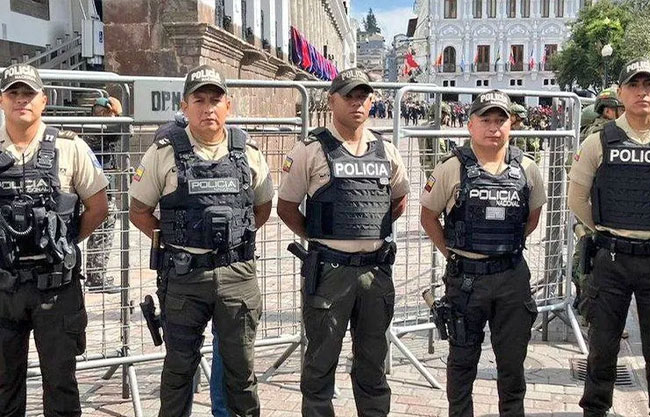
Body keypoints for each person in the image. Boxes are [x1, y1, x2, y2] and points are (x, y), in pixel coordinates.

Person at [129, 64, 274, 417]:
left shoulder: (248, 152)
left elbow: (262, 207)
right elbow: (139, 210)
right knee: (178, 370)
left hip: (237, 276)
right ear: (185, 106)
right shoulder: (163, 153)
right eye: (199, 100)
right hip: (185, 277)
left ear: (228, 105)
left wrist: (234, 241)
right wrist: (175, 241)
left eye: (215, 100)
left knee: (241, 373)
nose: (208, 108)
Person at [277, 68, 410, 417]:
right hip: (330, 273)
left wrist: (367, 233)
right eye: (349, 96)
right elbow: (286, 207)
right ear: (332, 100)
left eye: (363, 96)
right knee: (320, 363)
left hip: (375, 274)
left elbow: (398, 201)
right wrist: (321, 237)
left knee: (373, 362)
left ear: (372, 101)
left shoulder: (387, 151)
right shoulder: (310, 150)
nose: (357, 103)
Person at [420, 89, 546, 417]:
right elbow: (428, 217)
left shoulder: (527, 168)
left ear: (510, 124)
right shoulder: (451, 168)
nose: (493, 127)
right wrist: (453, 254)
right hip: (467, 281)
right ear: (470, 125)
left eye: (500, 120)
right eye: (485, 119)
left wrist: (501, 247)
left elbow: (532, 218)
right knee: (462, 364)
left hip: (511, 278)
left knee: (512, 365)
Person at [0, 64, 109, 416]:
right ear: (2, 101)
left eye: (28, 93)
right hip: (3, 290)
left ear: (43, 101)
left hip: (57, 289)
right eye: (13, 93)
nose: (21, 100)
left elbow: (98, 206)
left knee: (61, 385)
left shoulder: (70, 147)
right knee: (3, 388)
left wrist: (65, 241)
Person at [569, 57, 650, 417]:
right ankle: (595, 410)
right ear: (620, 92)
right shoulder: (598, 141)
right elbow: (576, 199)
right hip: (612, 259)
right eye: (634, 85)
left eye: (648, 85)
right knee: (602, 347)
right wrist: (606, 230)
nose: (642, 93)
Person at [84, 96, 123, 293]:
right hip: (99, 187)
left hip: (101, 184)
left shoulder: (95, 126)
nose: (108, 115)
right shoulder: (96, 128)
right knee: (104, 228)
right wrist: (119, 113)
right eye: (106, 112)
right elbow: (121, 131)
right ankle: (96, 277)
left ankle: (95, 276)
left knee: (102, 229)